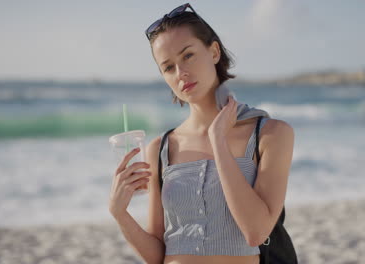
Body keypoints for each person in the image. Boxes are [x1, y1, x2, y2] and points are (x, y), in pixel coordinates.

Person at [108, 3, 295, 264]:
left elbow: (255, 232)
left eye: (188, 55)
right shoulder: (159, 148)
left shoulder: (271, 134)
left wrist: (218, 141)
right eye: (168, 67)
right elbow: (158, 254)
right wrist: (120, 214)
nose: (181, 73)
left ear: (214, 51)